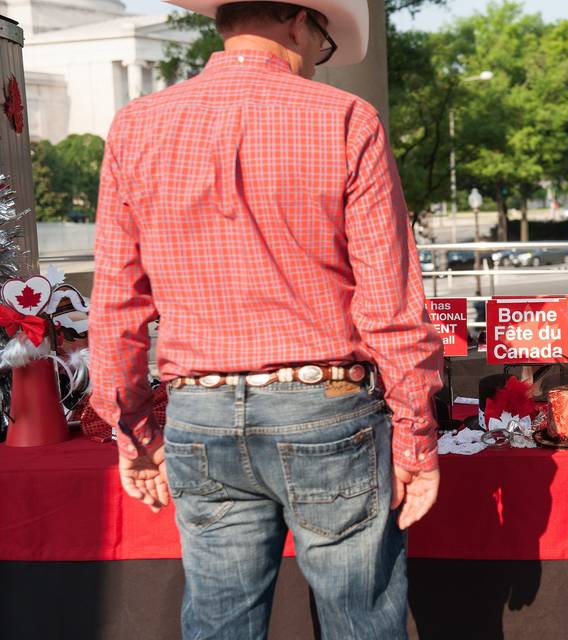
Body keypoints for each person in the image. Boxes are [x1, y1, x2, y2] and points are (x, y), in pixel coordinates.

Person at [88, 1, 444, 638]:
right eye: (324, 45)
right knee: (360, 621)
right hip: (326, 406)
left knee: (220, 625)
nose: (316, 59)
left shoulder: (134, 126)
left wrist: (132, 431)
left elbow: (117, 303)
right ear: (299, 23)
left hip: (200, 413)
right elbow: (390, 303)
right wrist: (417, 437)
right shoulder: (342, 118)